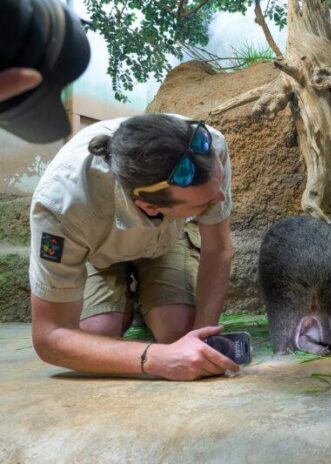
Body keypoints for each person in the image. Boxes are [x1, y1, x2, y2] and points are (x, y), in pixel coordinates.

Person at [30, 113, 239, 380]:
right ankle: (127, 299)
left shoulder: (211, 148)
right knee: (96, 334)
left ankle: (149, 300)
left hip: (166, 240)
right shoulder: (60, 207)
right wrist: (156, 359)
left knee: (178, 332)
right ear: (149, 206)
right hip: (98, 254)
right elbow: (50, 337)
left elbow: (218, 249)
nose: (220, 199)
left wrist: (201, 341)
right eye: (205, 205)